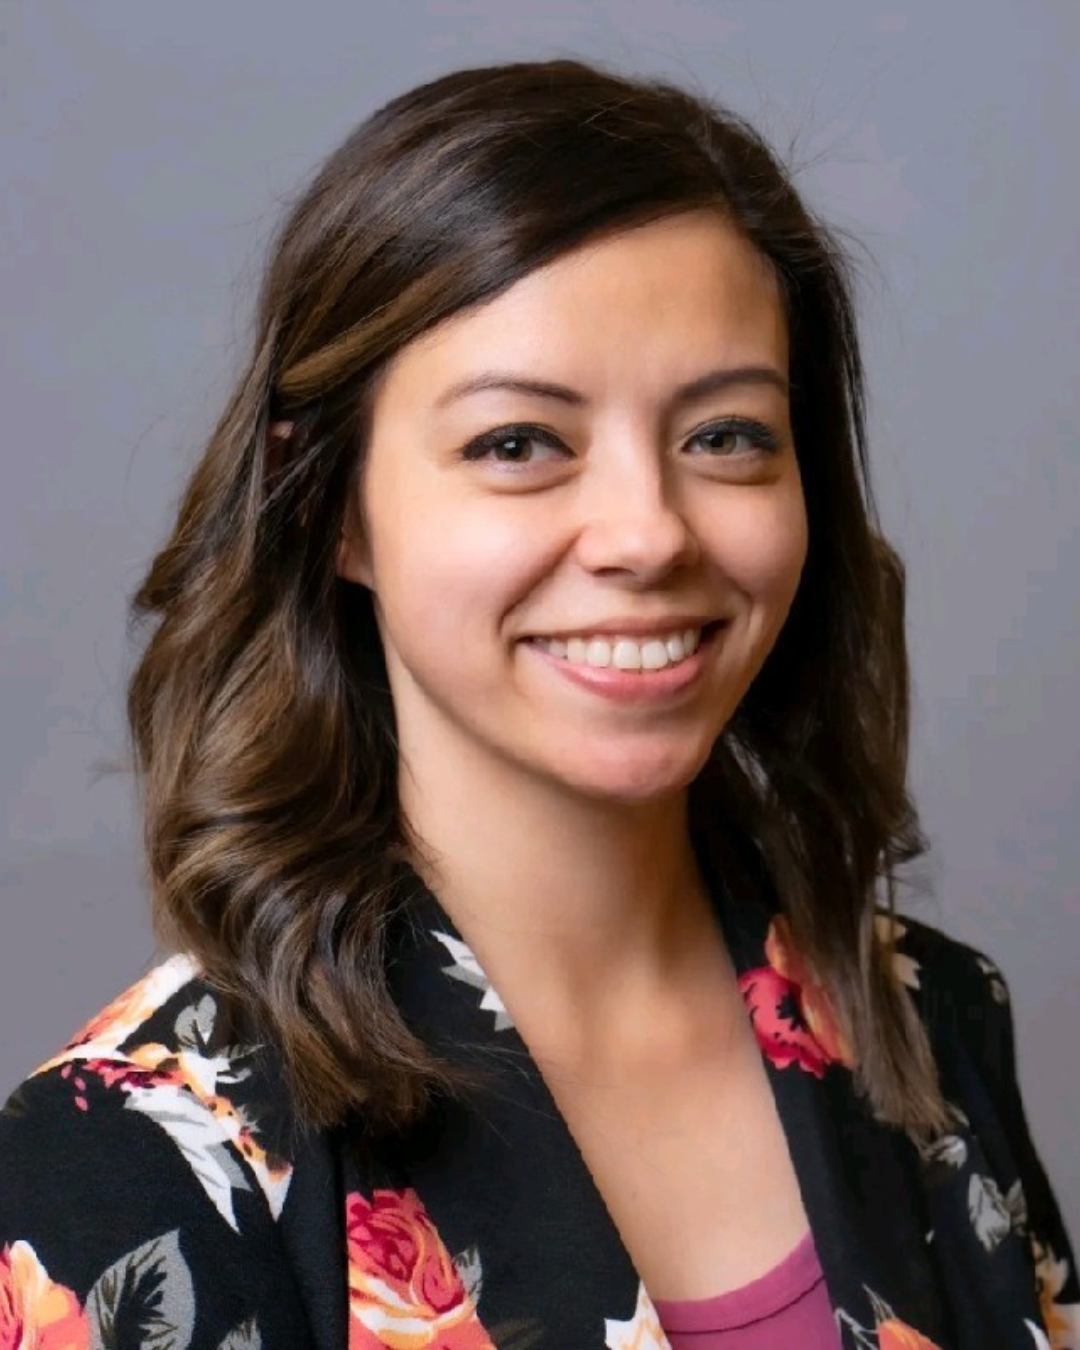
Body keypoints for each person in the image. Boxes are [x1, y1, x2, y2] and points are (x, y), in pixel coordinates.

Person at [0, 56, 1074, 1350]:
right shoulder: (132, 1159)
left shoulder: (933, 1025)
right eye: (519, 442)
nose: (647, 532)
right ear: (332, 504)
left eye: (727, 433)